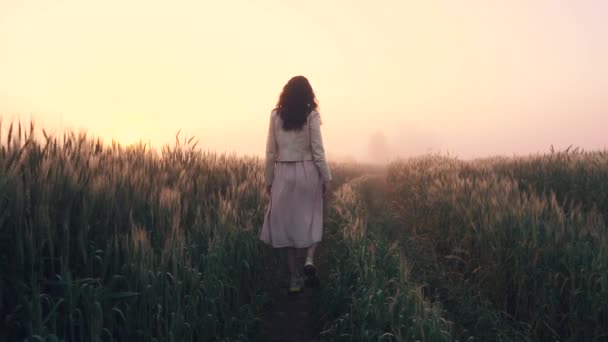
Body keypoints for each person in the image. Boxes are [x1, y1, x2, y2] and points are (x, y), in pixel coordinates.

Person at [260, 75, 332, 293]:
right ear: (308, 94)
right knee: (313, 218)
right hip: (308, 172)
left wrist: (269, 180)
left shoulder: (275, 116)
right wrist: (326, 178)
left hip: (283, 173)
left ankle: (294, 279)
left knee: (289, 227)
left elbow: (270, 152)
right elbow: (318, 152)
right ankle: (309, 258)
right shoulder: (311, 115)